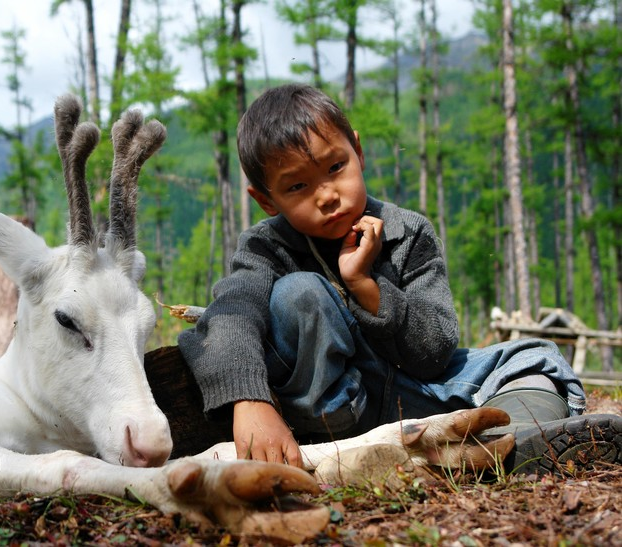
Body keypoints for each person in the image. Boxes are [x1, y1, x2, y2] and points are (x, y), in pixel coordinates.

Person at [177, 83, 620, 475]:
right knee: (300, 294)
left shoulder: (408, 231)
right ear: (266, 200)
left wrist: (366, 287)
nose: (327, 195)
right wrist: (249, 402)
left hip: (414, 392)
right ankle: (343, 441)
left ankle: (516, 442)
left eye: (335, 168)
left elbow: (435, 354)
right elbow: (230, 315)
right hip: (322, 413)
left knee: (533, 358)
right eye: (297, 187)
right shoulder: (263, 248)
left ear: (358, 151)